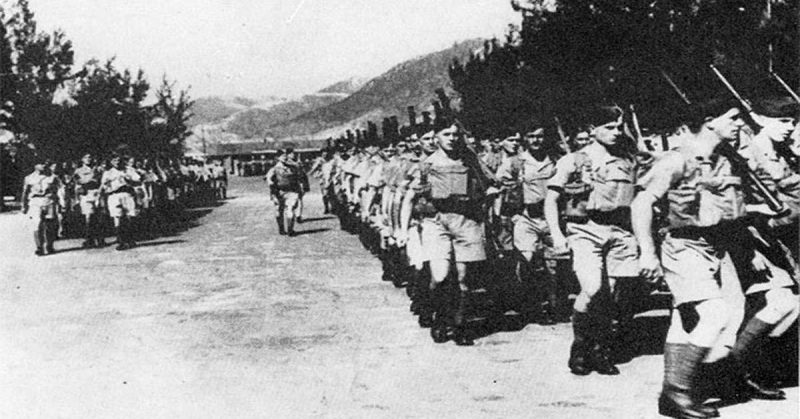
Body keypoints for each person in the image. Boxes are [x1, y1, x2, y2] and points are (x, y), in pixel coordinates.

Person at [632, 96, 749, 419]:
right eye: (733, 118)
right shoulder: (675, 160)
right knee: (714, 313)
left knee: (698, 318)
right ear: (710, 120)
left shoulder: (724, 160)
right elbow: (641, 204)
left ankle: (680, 388)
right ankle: (678, 391)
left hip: (717, 246)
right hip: (683, 246)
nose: (739, 124)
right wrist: (647, 253)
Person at [545, 105, 638, 376]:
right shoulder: (573, 161)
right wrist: (557, 234)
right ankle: (581, 345)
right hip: (585, 230)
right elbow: (551, 200)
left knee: (617, 293)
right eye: (609, 127)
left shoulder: (628, 159)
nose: (616, 132)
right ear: (591, 130)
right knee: (593, 289)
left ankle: (600, 349)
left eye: (619, 127)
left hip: (620, 231)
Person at [400, 121, 497, 345]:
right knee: (441, 275)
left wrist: (488, 194)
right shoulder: (427, 165)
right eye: (447, 134)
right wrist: (403, 230)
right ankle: (440, 317)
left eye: (456, 134)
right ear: (437, 137)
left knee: (464, 279)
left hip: (466, 220)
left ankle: (460, 324)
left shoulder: (470, 160)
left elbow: (490, 183)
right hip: (436, 222)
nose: (452, 138)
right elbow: (409, 198)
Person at [101, 154, 141, 250]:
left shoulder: (128, 170)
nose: (117, 162)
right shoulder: (108, 173)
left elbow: (138, 180)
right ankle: (121, 241)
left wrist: (129, 179)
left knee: (130, 216)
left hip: (127, 194)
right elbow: (104, 186)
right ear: (111, 162)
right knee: (117, 217)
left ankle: (130, 239)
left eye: (119, 160)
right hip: (114, 195)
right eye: (114, 160)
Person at [21, 161, 61, 255]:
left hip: (49, 202)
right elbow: (25, 192)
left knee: (50, 225)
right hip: (35, 203)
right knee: (37, 225)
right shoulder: (29, 178)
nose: (43, 165)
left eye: (44, 163)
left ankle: (49, 246)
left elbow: (59, 190)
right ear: (35, 165)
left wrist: (60, 203)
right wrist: (24, 205)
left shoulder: (53, 177)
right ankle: (39, 247)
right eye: (40, 163)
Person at [265, 148, 308, 236]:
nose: (285, 158)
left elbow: (300, 176)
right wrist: (272, 188)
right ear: (277, 157)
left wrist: (302, 187)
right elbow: (269, 178)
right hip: (279, 192)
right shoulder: (274, 168)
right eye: (282, 156)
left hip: (292, 191)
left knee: (290, 209)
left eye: (285, 156)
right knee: (279, 210)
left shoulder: (293, 167)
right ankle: (281, 229)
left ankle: (290, 230)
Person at [73, 153, 106, 248]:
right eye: (86, 157)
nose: (88, 159)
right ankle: (89, 239)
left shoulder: (99, 169)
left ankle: (100, 238)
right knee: (89, 217)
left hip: (97, 193)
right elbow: (79, 182)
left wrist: (100, 191)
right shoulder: (78, 171)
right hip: (86, 194)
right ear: (82, 159)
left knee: (100, 217)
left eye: (90, 157)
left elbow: (103, 181)